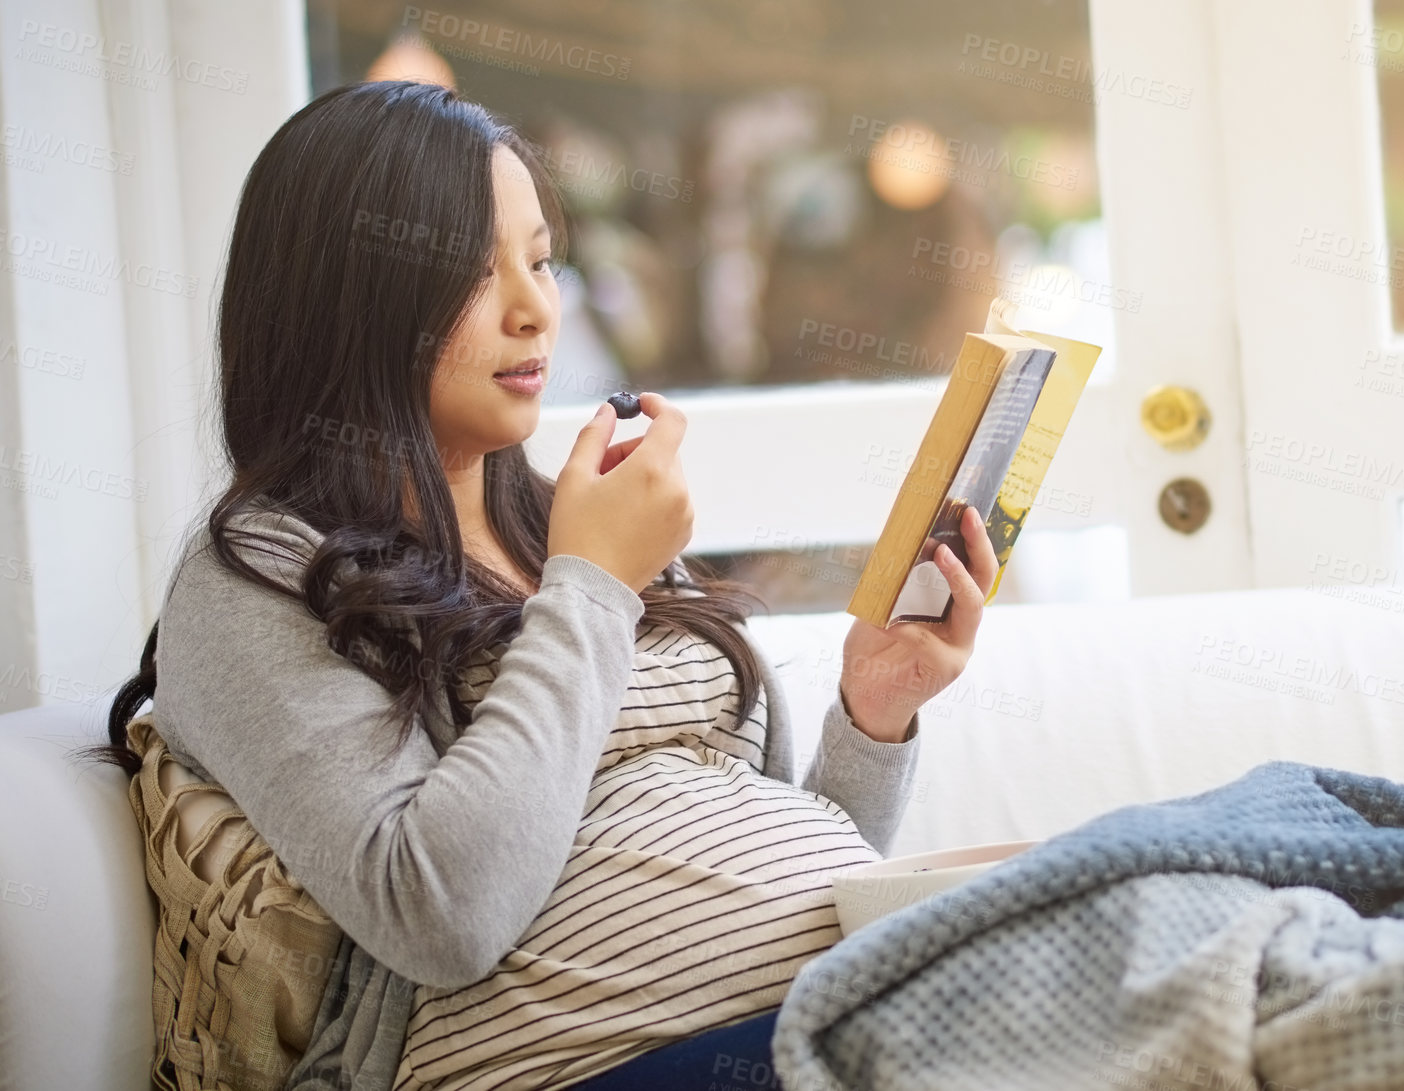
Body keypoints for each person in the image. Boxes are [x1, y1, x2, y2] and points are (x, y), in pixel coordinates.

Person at [90, 79, 999, 1091]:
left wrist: (872, 716)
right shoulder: (257, 572)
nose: (535, 310)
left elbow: (782, 865)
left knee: (1165, 914)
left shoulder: (569, 513)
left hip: (817, 1020)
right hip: (596, 1068)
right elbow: (442, 912)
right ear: (351, 302)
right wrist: (594, 583)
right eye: (479, 274)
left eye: (539, 260)